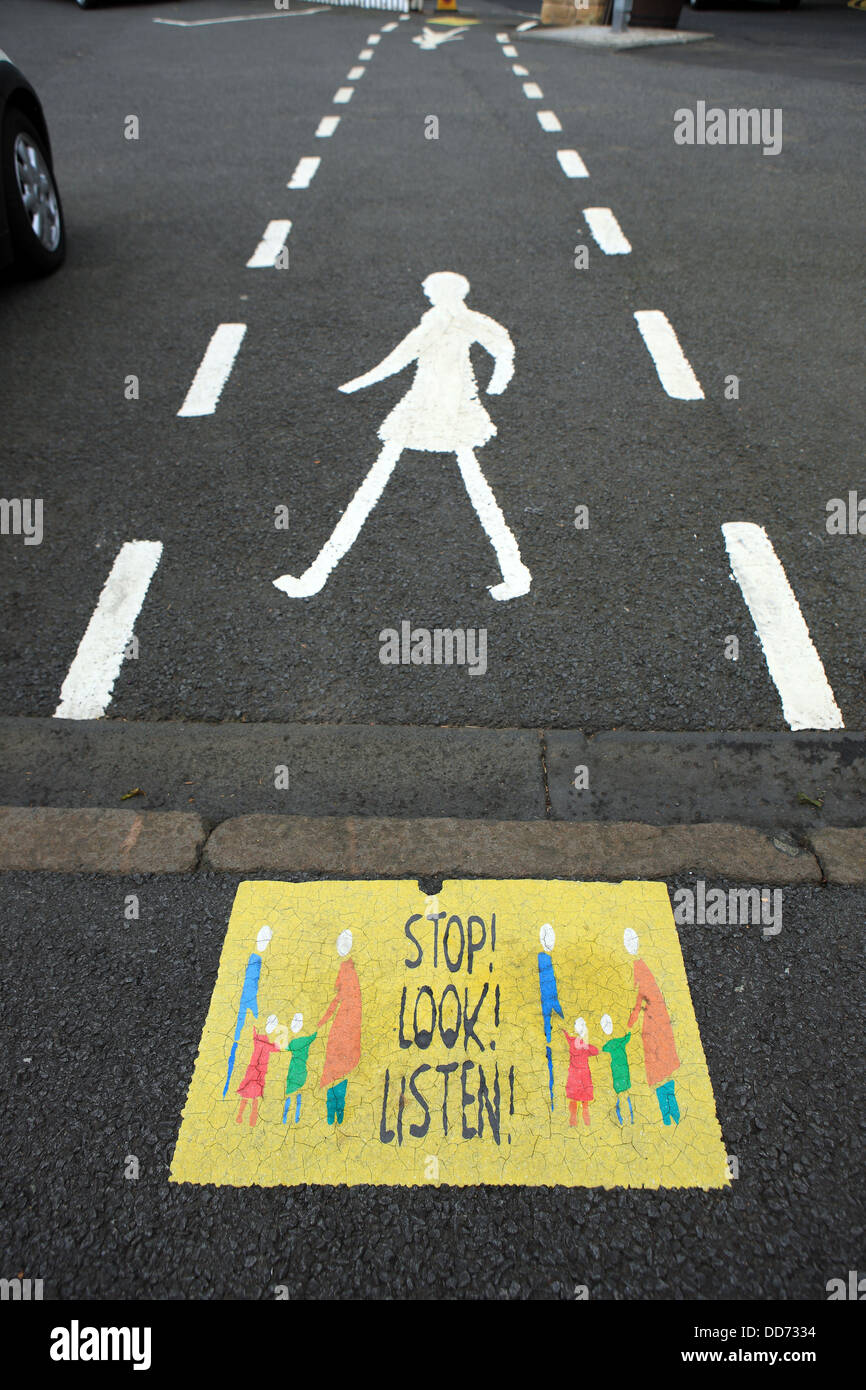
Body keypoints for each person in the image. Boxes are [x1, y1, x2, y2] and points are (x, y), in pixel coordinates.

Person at [273, 272, 531, 603]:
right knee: (468, 488)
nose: (426, 292)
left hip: (441, 407)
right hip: (432, 404)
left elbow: (497, 347)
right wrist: (361, 382)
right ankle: (514, 573)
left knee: (383, 487)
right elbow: (409, 354)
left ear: (443, 291)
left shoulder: (456, 320)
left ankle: (314, 577)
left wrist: (497, 383)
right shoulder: (441, 319)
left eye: (430, 289)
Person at [624, 928, 681, 1126]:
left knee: (658, 1062)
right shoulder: (642, 967)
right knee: (661, 1063)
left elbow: (641, 996)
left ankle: (669, 1111)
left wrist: (631, 1020)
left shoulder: (639, 969)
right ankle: (670, 1110)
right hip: (655, 1017)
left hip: (653, 1019)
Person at [317, 930, 362, 1126]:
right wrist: (325, 1018)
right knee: (336, 1063)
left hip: (347, 1020)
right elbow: (339, 997)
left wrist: (326, 1017)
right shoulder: (346, 967)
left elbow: (344, 997)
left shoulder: (348, 969)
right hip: (345, 1019)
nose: (340, 947)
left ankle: (335, 1111)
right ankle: (334, 1111)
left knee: (339, 1063)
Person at [223, 924, 273, 1097]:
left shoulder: (260, 959)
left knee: (246, 1044)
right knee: (238, 1040)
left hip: (251, 1007)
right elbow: (250, 987)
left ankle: (232, 1083)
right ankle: (229, 1082)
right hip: (248, 1006)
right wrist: (256, 1010)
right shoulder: (255, 959)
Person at [236, 1013, 283, 1127]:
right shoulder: (261, 1036)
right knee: (248, 1091)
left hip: (262, 1068)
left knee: (256, 1093)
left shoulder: (265, 1036)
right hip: (255, 1067)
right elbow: (270, 1047)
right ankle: (241, 1114)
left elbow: (272, 1047)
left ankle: (251, 1116)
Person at [537, 923, 564, 1110]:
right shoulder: (543, 959)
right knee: (549, 1041)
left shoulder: (547, 958)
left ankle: (554, 1092)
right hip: (547, 1007)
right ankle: (552, 1093)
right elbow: (548, 985)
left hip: (551, 1005)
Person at [562, 1017, 599, 1128]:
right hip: (583, 1074)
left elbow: (567, 1037)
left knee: (574, 1096)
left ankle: (574, 1118)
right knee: (584, 1096)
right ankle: (584, 1115)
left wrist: (564, 1032)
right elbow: (595, 1051)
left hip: (575, 1073)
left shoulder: (573, 1041)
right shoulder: (584, 1045)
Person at [282, 1013, 317, 1124]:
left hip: (293, 1070)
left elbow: (284, 1047)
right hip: (302, 1070)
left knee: (290, 1093)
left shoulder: (293, 1043)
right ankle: (296, 1116)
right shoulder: (305, 1040)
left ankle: (286, 1117)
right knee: (298, 1093)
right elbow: (312, 1037)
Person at [600, 1012, 633, 1125]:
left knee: (619, 1095)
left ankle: (621, 1119)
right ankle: (631, 1118)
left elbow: (603, 1048)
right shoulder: (619, 1042)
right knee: (627, 1095)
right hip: (624, 1068)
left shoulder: (609, 1044)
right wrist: (627, 1029)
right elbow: (627, 1037)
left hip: (616, 1071)